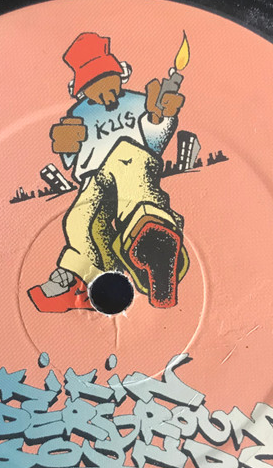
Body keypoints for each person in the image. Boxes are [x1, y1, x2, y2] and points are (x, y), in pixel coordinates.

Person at [28, 32, 189, 312]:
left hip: (132, 162)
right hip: (95, 177)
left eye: (108, 81)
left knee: (134, 186)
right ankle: (90, 278)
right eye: (95, 86)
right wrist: (66, 145)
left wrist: (160, 117)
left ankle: (155, 236)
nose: (106, 93)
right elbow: (76, 160)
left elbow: (154, 144)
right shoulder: (78, 115)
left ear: (120, 74)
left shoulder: (139, 102)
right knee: (80, 221)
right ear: (82, 90)